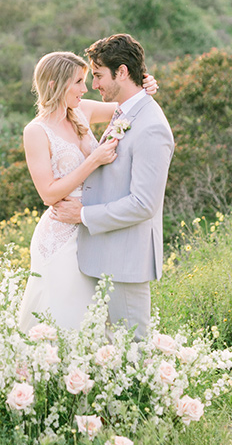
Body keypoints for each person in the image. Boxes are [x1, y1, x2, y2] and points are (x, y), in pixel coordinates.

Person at [18, 49, 158, 333]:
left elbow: (128, 104)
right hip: (62, 233)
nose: (87, 88)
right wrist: (93, 160)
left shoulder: (83, 111)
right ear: (55, 84)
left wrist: (147, 86)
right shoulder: (36, 132)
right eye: (79, 82)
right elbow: (48, 193)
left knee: (94, 318)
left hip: (91, 226)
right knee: (65, 317)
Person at [51, 34, 174, 340]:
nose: (94, 85)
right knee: (111, 354)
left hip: (126, 262)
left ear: (121, 72)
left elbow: (144, 205)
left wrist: (83, 214)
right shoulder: (126, 110)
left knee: (133, 353)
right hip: (106, 256)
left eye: (98, 75)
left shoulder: (152, 126)